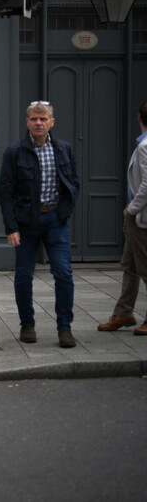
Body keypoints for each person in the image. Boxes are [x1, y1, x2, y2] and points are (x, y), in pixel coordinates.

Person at [0, 101, 81, 348]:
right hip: (26, 222)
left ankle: (65, 328)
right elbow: (6, 191)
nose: (38, 123)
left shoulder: (63, 149)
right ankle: (27, 324)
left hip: (55, 219)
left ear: (51, 122)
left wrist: (65, 210)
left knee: (64, 274)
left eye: (43, 119)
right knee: (24, 276)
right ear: (27, 122)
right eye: (34, 119)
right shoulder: (15, 152)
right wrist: (11, 227)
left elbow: (74, 182)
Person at [98, 100, 147, 336]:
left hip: (141, 217)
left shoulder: (145, 146)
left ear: (139, 118)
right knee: (130, 265)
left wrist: (132, 209)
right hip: (136, 216)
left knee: (144, 267)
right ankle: (124, 311)